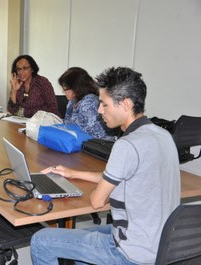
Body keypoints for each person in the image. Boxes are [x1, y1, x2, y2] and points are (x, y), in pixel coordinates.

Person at [31, 67, 180, 265]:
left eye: (104, 104)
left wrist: (98, 190)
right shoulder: (163, 135)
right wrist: (72, 173)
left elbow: (97, 202)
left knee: (41, 240)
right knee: (80, 240)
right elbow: (122, 176)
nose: (99, 110)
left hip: (130, 252)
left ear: (125, 104)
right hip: (161, 243)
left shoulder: (126, 145)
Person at [59, 67, 114, 140]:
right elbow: (67, 124)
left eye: (65, 88)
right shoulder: (72, 102)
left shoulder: (89, 102)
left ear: (75, 87)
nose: (63, 92)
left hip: (96, 145)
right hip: (77, 143)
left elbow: (96, 134)